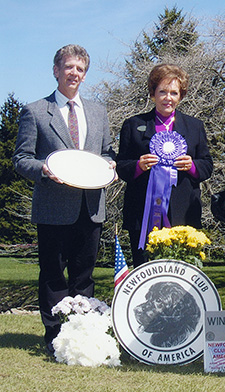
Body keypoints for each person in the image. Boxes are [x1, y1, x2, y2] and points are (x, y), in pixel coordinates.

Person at [12, 44, 116, 355]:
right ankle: (54, 336)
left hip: (91, 208)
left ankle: (82, 334)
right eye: (69, 67)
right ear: (56, 71)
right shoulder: (34, 111)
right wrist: (44, 169)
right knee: (54, 275)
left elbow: (108, 152)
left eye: (80, 69)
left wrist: (110, 164)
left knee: (84, 277)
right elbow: (21, 158)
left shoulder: (99, 112)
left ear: (85, 75)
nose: (74, 73)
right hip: (54, 208)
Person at [116, 64, 213, 268]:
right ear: (152, 94)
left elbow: (207, 166)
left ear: (181, 96)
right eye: (162, 92)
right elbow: (121, 166)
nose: (168, 98)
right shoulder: (133, 125)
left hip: (184, 214)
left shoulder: (195, 126)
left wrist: (192, 166)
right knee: (145, 271)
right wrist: (139, 166)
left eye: (174, 93)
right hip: (142, 214)